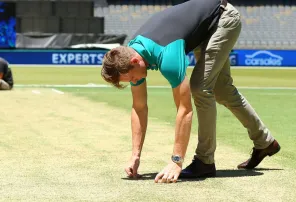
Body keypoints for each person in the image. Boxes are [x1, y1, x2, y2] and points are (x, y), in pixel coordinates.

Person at [100, 0, 280, 183]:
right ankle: (265, 142)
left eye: (131, 79)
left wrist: (176, 160)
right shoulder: (132, 53)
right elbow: (139, 107)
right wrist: (135, 155)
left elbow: (184, 110)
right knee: (223, 90)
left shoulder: (166, 56)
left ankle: (204, 161)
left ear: (135, 62)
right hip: (206, 26)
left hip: (222, 18)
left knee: (200, 88)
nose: (135, 82)